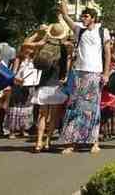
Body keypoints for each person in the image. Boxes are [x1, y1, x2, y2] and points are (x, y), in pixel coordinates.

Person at [58, 0, 112, 154]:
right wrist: (63, 3)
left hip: (95, 73)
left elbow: (108, 53)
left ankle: (94, 141)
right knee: (75, 106)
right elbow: (66, 16)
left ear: (93, 18)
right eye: (83, 16)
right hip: (79, 72)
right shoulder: (79, 30)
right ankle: (71, 142)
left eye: (86, 16)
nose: (83, 18)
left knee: (93, 107)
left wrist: (106, 73)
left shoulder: (103, 31)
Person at [24, 24, 70, 152]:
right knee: (53, 116)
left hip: (43, 83)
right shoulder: (63, 48)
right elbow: (65, 67)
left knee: (42, 115)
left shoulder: (43, 44)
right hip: (56, 84)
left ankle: (38, 141)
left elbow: (26, 43)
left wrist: (39, 34)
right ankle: (48, 141)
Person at [4, 46, 39, 139]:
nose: (31, 50)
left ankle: (23, 129)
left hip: (30, 86)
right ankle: (11, 131)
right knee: (15, 107)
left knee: (26, 108)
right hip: (18, 86)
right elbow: (13, 73)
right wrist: (17, 79)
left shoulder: (33, 60)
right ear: (23, 49)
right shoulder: (18, 59)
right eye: (28, 48)